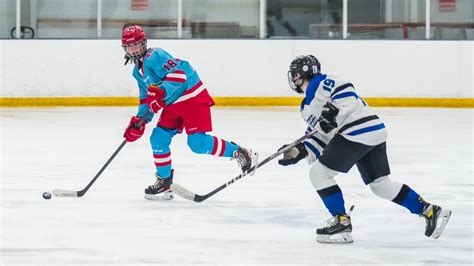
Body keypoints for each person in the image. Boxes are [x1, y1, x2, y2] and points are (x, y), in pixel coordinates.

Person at [278, 55, 452, 244]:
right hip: (371, 133)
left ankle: (341, 222)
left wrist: (332, 114)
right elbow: (322, 135)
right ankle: (430, 211)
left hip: (356, 131)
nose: (293, 79)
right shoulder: (306, 107)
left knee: (319, 173)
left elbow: (346, 94)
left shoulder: (323, 82)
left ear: (300, 74)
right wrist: (300, 150)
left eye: (295, 74)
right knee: (381, 186)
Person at [121, 25, 258, 200]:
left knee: (197, 143)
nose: (134, 49)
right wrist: (139, 121)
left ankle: (241, 153)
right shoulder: (137, 72)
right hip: (173, 104)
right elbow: (145, 99)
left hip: (191, 97)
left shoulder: (155, 55)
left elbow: (179, 76)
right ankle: (164, 182)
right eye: (130, 46)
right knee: (158, 138)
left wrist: (161, 91)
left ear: (144, 43)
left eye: (137, 45)